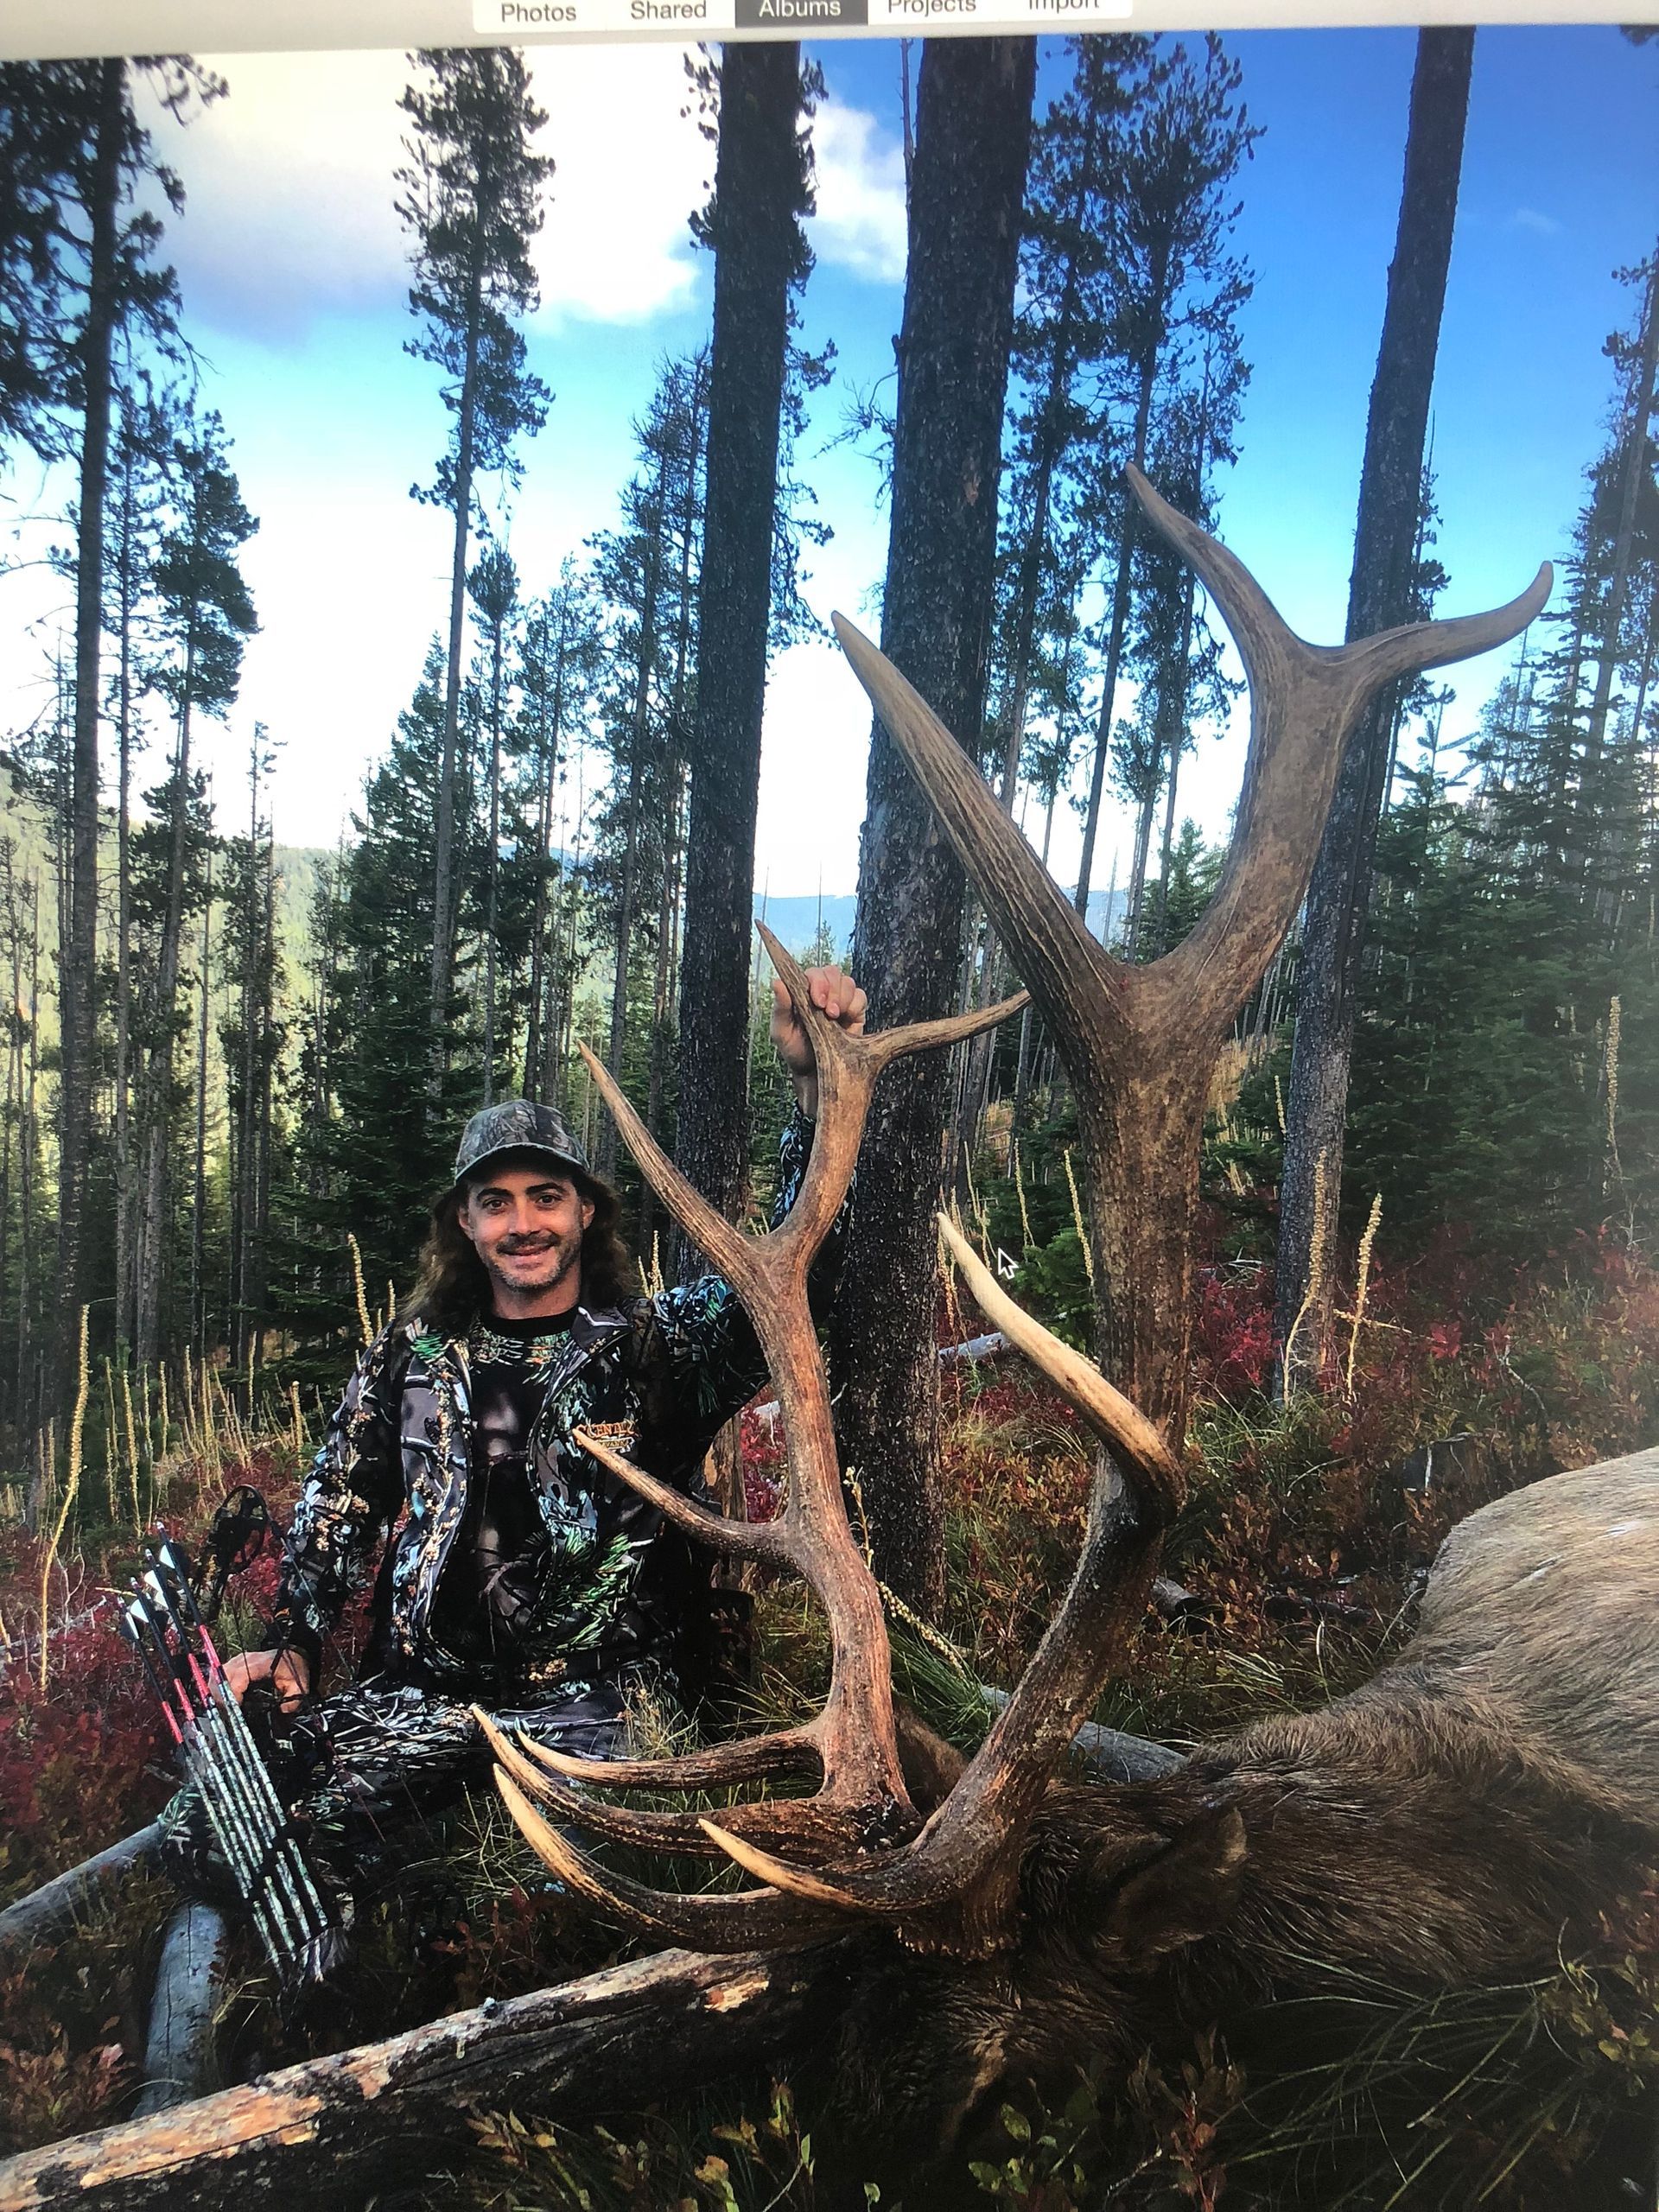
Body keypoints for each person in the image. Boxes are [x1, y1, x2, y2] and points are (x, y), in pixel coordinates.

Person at [161, 964, 867, 1915]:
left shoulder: (660, 1344)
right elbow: (342, 1499)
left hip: (606, 1703)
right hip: (428, 1694)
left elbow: (799, 1270)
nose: (523, 1221)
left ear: (585, 1210)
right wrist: (293, 1643)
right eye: (495, 1200)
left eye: (545, 1195)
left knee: (567, 1896)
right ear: (464, 1219)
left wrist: (813, 1090)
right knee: (205, 1829)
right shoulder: (413, 1355)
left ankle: (453, 1918)